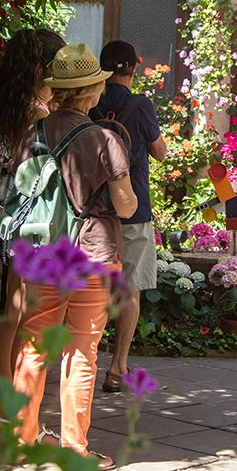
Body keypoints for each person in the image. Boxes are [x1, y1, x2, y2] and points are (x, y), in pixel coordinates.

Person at [12, 44, 138, 466]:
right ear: (93, 90)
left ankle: (22, 437)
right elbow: (125, 206)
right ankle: (75, 449)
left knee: (33, 344)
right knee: (81, 350)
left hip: (44, 251)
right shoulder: (103, 138)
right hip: (92, 253)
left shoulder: (34, 134)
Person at [0, 29, 65, 389]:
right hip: (32, 215)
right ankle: (13, 393)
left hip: (15, 214)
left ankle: (5, 388)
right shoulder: (38, 112)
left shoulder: (17, 103)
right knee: (25, 313)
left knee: (14, 309)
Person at [94, 40, 168, 393]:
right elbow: (161, 153)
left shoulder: (89, 102)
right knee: (131, 289)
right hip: (133, 207)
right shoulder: (141, 105)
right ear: (134, 69)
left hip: (93, 210)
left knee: (92, 289)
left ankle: (83, 357)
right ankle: (117, 367)